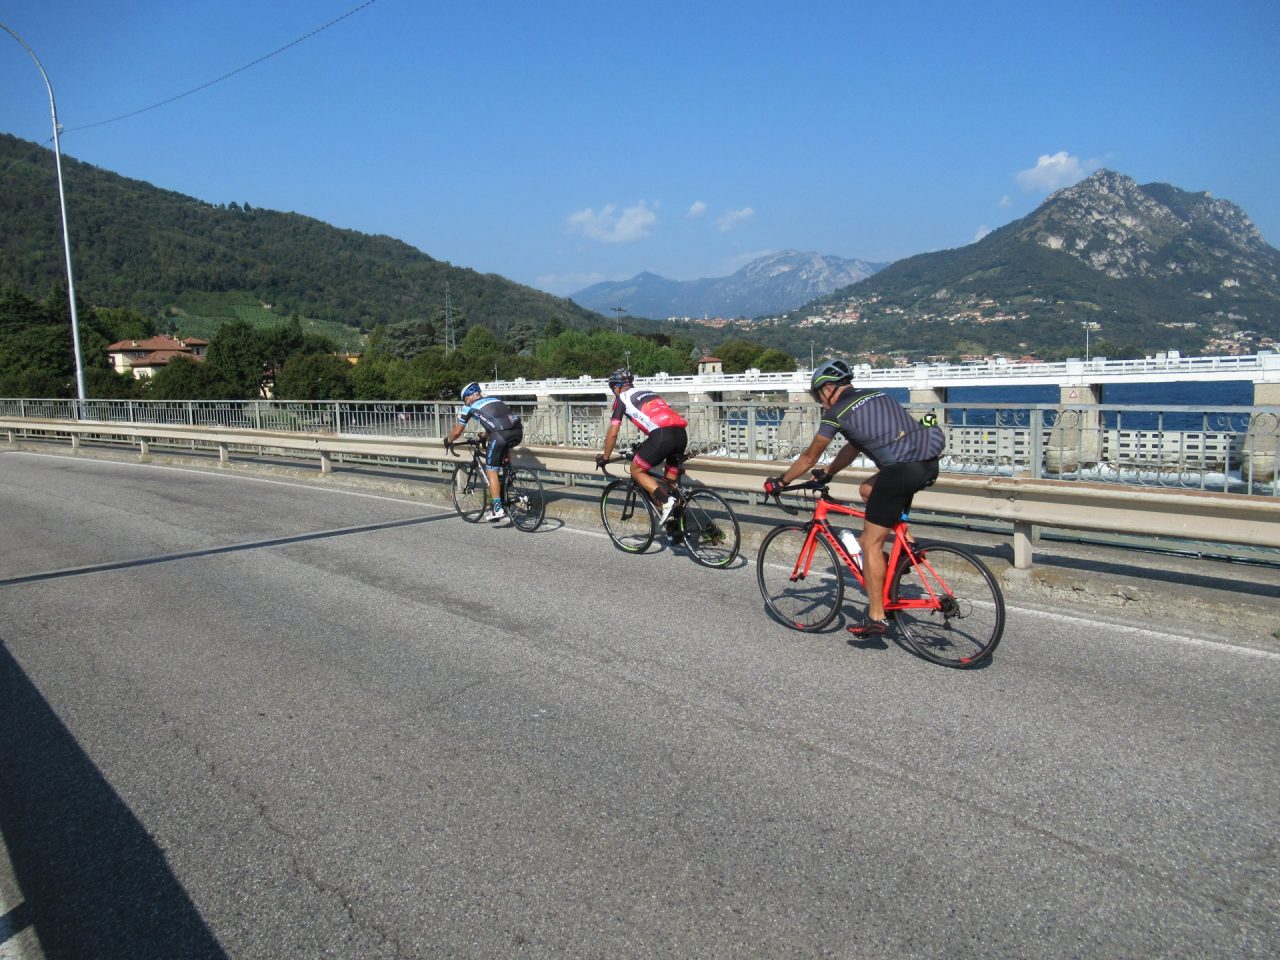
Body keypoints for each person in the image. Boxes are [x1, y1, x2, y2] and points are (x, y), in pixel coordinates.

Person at [764, 358, 945, 637]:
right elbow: (853, 446)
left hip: (899, 471)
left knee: (869, 543)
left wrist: (781, 481)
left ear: (827, 390)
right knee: (866, 490)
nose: (819, 401)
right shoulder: (877, 395)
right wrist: (828, 472)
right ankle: (905, 546)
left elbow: (809, 455)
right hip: (927, 463)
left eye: (817, 395)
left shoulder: (837, 411)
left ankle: (876, 616)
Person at [595, 368, 689, 528]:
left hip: (662, 436)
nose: (613, 393)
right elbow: (657, 418)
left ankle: (666, 502)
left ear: (616, 387)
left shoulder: (621, 398)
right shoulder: (649, 392)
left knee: (636, 471)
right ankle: (678, 528)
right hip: (680, 434)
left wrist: (605, 457)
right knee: (671, 487)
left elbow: (613, 432)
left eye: (613, 390)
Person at [445, 381, 523, 521]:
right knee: (504, 448)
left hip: (499, 435)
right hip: (517, 432)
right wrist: (485, 435)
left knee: (491, 470)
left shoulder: (468, 408)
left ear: (468, 397)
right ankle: (508, 476)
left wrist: (448, 440)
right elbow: (496, 420)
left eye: (465, 399)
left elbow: (457, 432)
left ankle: (498, 509)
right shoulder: (494, 399)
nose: (465, 402)